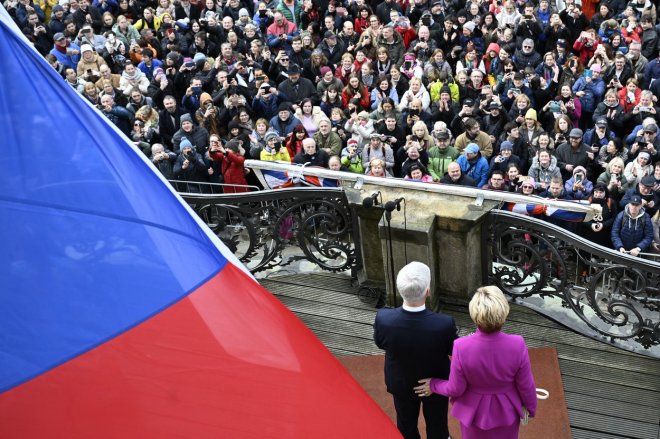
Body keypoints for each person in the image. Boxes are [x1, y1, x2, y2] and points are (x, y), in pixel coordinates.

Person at [414, 285, 537, 439]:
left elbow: (455, 389)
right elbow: (526, 385)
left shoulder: (461, 346)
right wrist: (530, 408)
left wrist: (434, 384)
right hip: (507, 411)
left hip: (473, 413)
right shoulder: (517, 344)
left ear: (474, 314)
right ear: (504, 311)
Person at [373, 261, 458, 439]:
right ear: (427, 292)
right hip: (435, 384)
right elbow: (454, 350)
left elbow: (380, 343)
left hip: (400, 383)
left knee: (405, 425)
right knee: (438, 426)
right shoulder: (444, 323)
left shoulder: (383, 318)